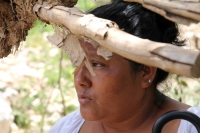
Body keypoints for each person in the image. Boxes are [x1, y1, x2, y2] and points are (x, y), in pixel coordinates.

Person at [48, 1, 200, 133]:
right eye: (78, 61)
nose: (79, 79)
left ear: (146, 72)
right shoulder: (67, 128)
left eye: (96, 64)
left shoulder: (191, 127)